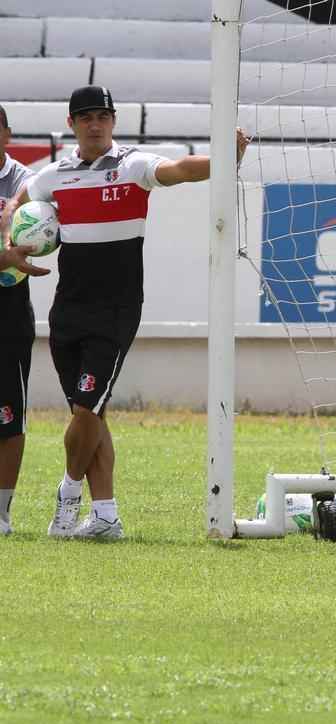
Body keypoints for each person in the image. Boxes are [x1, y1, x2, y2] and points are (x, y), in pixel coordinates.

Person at [3, 86, 248, 540]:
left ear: (113, 121)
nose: (95, 124)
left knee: (85, 408)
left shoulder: (132, 164)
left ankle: (68, 497)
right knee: (92, 413)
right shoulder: (54, 176)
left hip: (115, 310)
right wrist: (11, 229)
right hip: (66, 310)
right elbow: (19, 201)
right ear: (72, 123)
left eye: (103, 116)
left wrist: (223, 157)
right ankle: (107, 518)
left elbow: (178, 170)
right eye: (86, 117)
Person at [0, 104, 43, 536]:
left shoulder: (25, 182)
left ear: (6, 133)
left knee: (8, 415)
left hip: (8, 307)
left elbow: (38, 234)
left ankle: (1, 514)